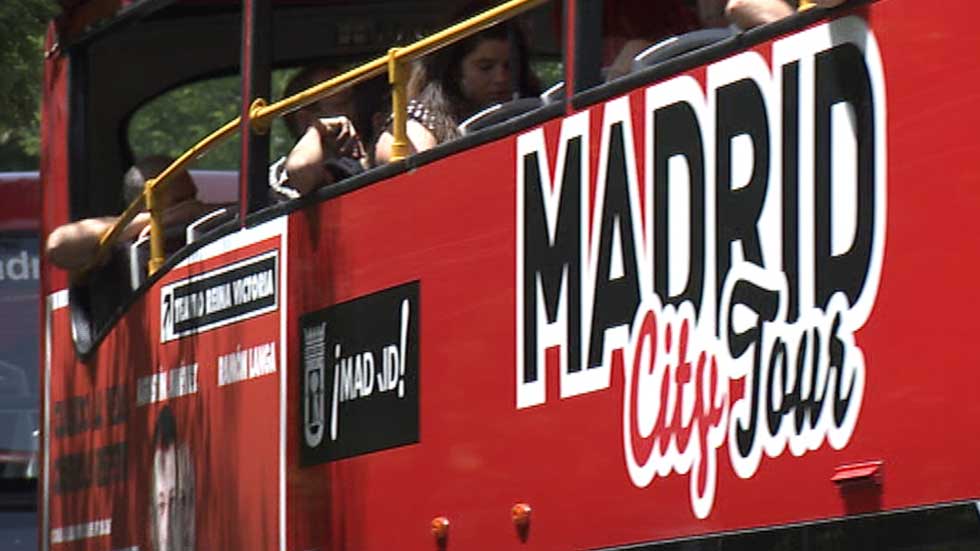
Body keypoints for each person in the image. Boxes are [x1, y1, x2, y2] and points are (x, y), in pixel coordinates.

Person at [373, 1, 541, 164]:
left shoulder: (534, 106)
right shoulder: (420, 122)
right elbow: (402, 160)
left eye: (510, 66)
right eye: (485, 67)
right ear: (454, 70)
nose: (501, 78)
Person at [44, 156, 219, 273]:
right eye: (179, 200)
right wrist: (159, 218)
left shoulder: (200, 223)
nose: (190, 205)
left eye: (192, 198)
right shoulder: (122, 241)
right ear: (142, 204)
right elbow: (57, 246)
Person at [149, 405, 195, 551]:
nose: (167, 525)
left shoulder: (183, 457)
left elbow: (190, 502)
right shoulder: (158, 461)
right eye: (162, 506)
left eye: (174, 502)